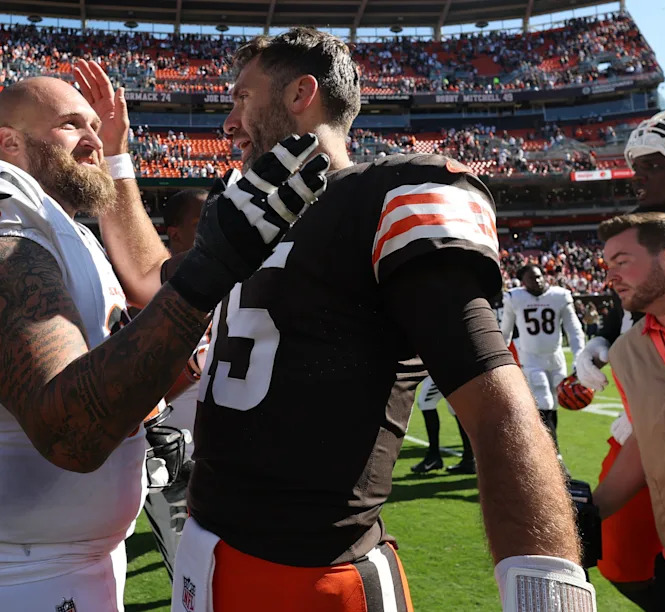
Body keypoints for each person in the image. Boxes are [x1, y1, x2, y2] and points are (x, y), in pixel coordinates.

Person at [170, 28, 592, 612]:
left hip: (314, 575)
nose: (228, 121)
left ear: (301, 95)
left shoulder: (387, 195)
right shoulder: (246, 217)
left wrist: (548, 599)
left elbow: (496, 406)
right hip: (205, 551)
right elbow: (158, 284)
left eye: (242, 98)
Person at [0, 59, 327, 611]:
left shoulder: (70, 234)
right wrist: (213, 266)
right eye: (73, 124)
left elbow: (111, 358)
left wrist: (161, 407)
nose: (93, 137)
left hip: (81, 565)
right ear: (10, 142)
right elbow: (69, 429)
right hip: (1, 583)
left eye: (96, 127)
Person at [572, 109, 665, 607]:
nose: (638, 178)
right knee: (622, 557)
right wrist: (603, 340)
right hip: (645, 421)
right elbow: (629, 306)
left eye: (651, 166)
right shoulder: (644, 239)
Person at [592, 212, 665, 611]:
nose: (611, 277)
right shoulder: (628, 352)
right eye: (608, 266)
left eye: (622, 262)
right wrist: (588, 513)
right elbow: (647, 438)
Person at [144, 188, 209, 579]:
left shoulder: (231, 284)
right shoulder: (146, 294)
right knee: (188, 579)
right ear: (175, 234)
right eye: (202, 223)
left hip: (225, 461)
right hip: (171, 463)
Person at [500, 264, 586, 462]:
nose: (537, 281)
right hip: (531, 358)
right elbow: (506, 330)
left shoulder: (559, 296)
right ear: (523, 282)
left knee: (555, 402)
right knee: (543, 400)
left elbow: (574, 330)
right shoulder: (515, 298)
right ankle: (553, 455)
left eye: (539, 277)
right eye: (532, 278)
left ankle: (547, 447)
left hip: (555, 357)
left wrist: (579, 357)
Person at [409, 376, 475, 474]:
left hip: (445, 369)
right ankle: (469, 459)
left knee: (425, 402)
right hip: (450, 369)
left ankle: (433, 456)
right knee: (455, 406)